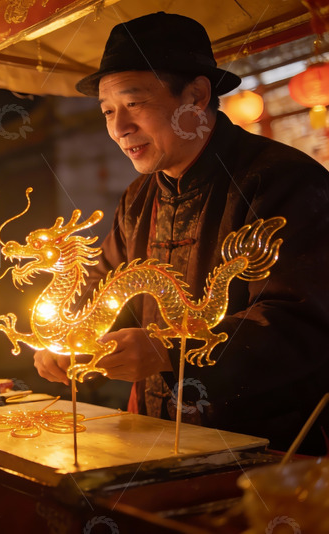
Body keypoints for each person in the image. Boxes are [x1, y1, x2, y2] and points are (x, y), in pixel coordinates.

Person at [34, 12, 329, 455]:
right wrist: (70, 339)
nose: (119, 128)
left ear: (195, 95)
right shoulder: (139, 198)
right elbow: (108, 288)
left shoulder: (281, 180)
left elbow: (303, 322)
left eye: (135, 104)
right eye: (108, 111)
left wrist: (169, 352)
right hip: (157, 435)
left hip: (271, 448)